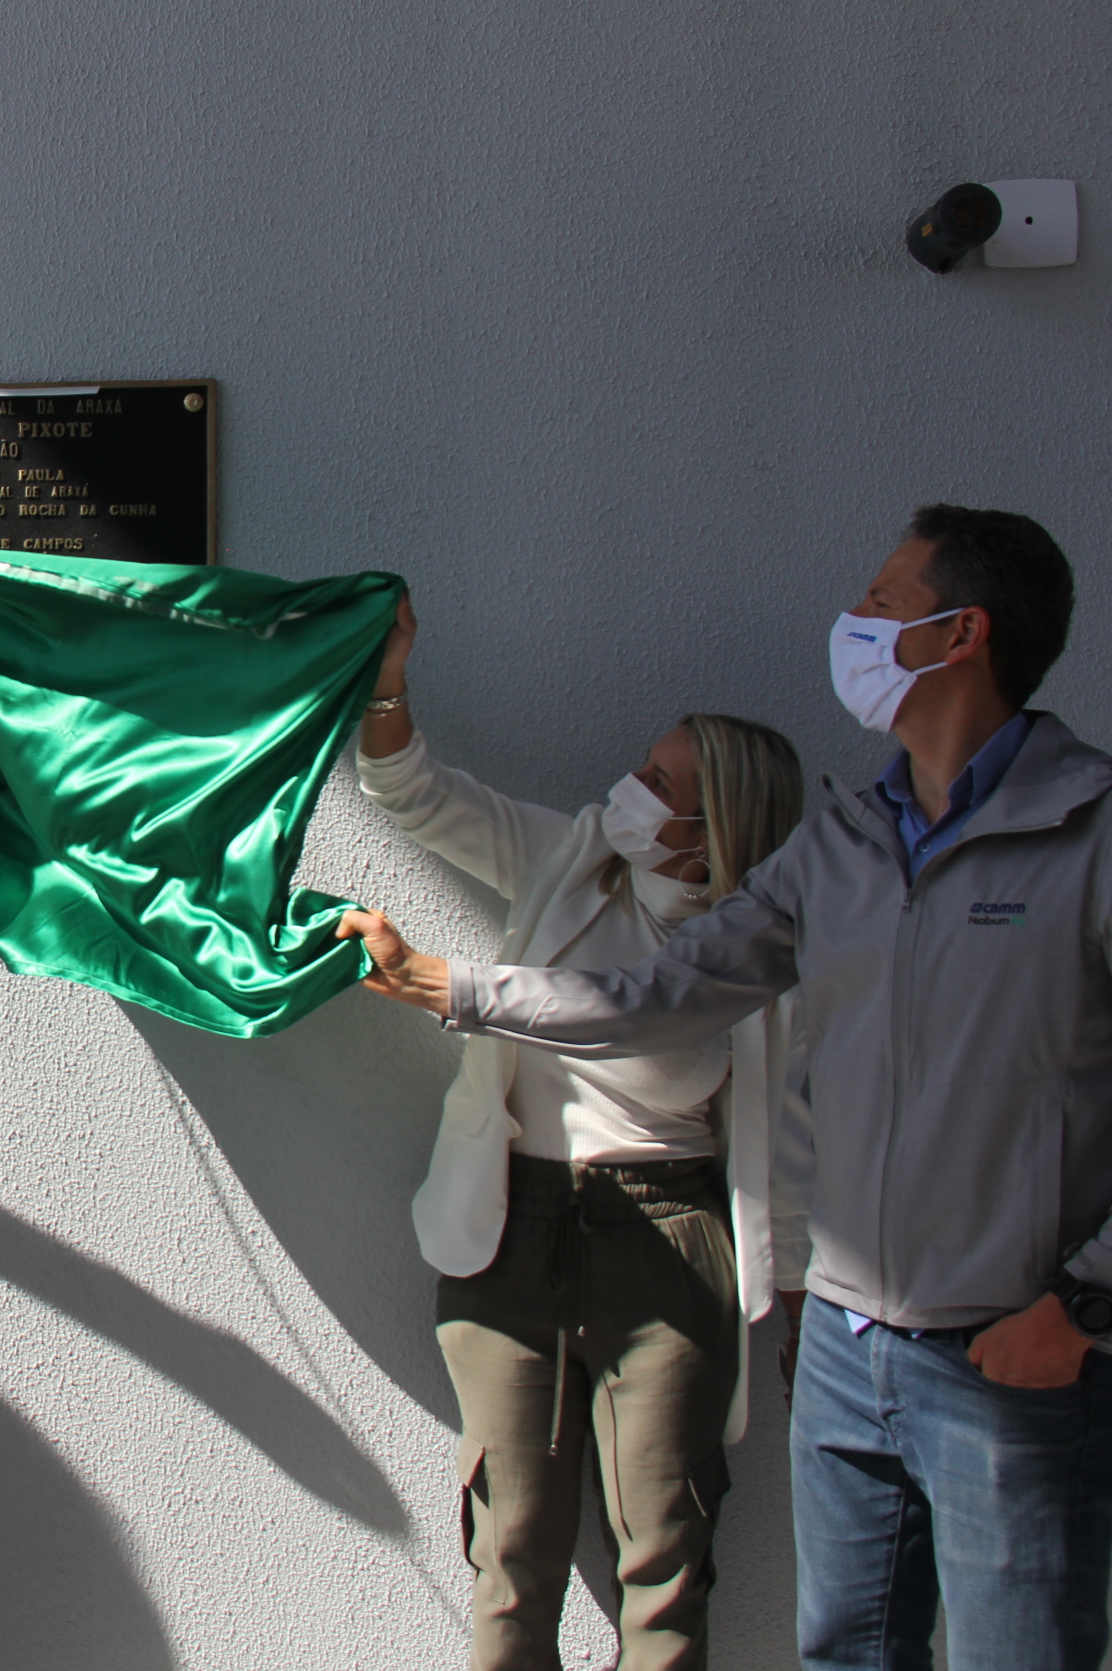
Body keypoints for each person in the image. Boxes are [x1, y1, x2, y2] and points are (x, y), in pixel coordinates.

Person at [341, 506, 1111, 1671]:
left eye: (884, 605)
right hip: (852, 1353)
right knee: (840, 1650)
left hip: (1002, 1355)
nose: (852, 624)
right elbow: (655, 997)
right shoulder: (847, 846)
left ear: (962, 638)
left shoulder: (1089, 832)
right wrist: (456, 988)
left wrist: (1082, 1307)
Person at [354, 595, 804, 1670]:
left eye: (662, 786)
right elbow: (409, 789)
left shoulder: (757, 944)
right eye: (642, 770)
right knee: (511, 1551)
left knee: (666, 1558)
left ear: (721, 826)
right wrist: (387, 678)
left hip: (669, 1230)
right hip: (512, 1220)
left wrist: (793, 1284)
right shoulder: (571, 857)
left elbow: (758, 1102)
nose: (630, 794)